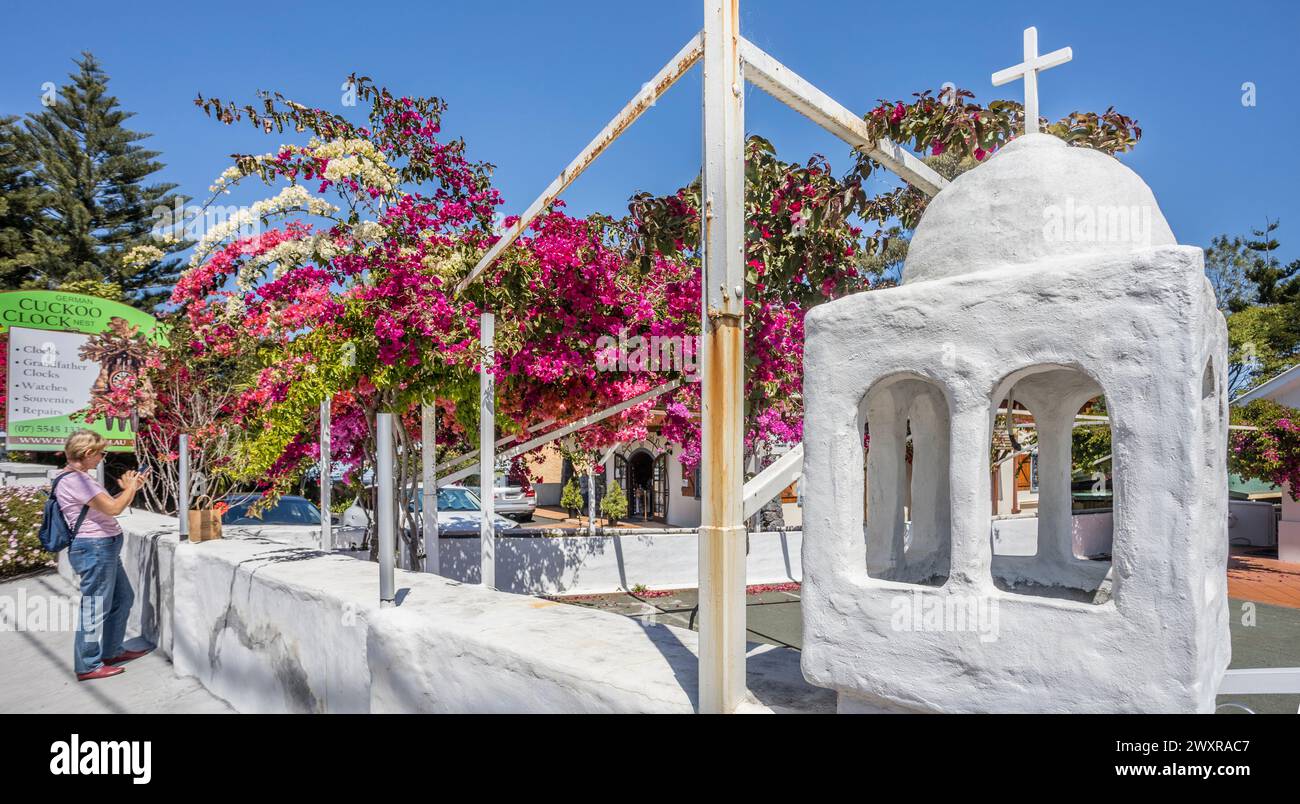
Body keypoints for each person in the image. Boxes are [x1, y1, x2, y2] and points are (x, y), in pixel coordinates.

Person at [57, 429, 151, 681]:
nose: (102, 457)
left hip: (101, 548)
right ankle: (87, 664)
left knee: (122, 598)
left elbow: (106, 507)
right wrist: (130, 488)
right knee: (95, 608)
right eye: (100, 453)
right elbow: (114, 508)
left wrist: (132, 488)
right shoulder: (77, 481)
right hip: (95, 549)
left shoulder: (77, 478)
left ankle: (111, 650)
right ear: (88, 453)